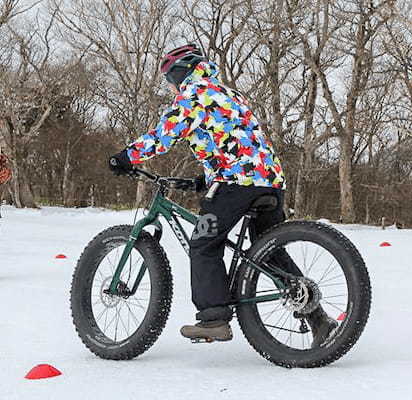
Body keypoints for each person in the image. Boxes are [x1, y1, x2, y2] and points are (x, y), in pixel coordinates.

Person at [108, 44, 337, 345]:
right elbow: (232, 140)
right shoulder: (230, 94)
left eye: (169, 78)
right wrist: (204, 179)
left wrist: (125, 158)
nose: (171, 85)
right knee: (269, 249)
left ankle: (213, 319)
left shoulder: (192, 94)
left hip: (237, 181)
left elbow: (162, 136)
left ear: (180, 71)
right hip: (270, 179)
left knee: (204, 243)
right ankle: (318, 318)